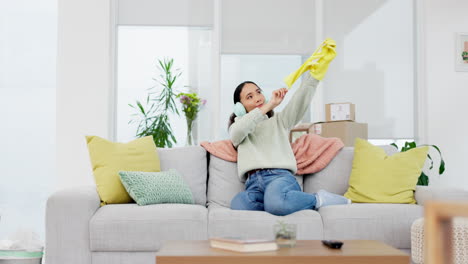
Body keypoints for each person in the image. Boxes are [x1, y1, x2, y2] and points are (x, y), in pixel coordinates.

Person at [228, 39, 351, 216]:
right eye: (249, 96)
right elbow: (237, 134)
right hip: (253, 183)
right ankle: (279, 203)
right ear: (239, 107)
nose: (257, 97)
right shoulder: (238, 126)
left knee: (276, 202)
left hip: (279, 177)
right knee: (238, 204)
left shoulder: (279, 120)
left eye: (258, 92)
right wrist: (267, 106)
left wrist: (313, 77)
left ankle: (318, 199)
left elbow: (300, 101)